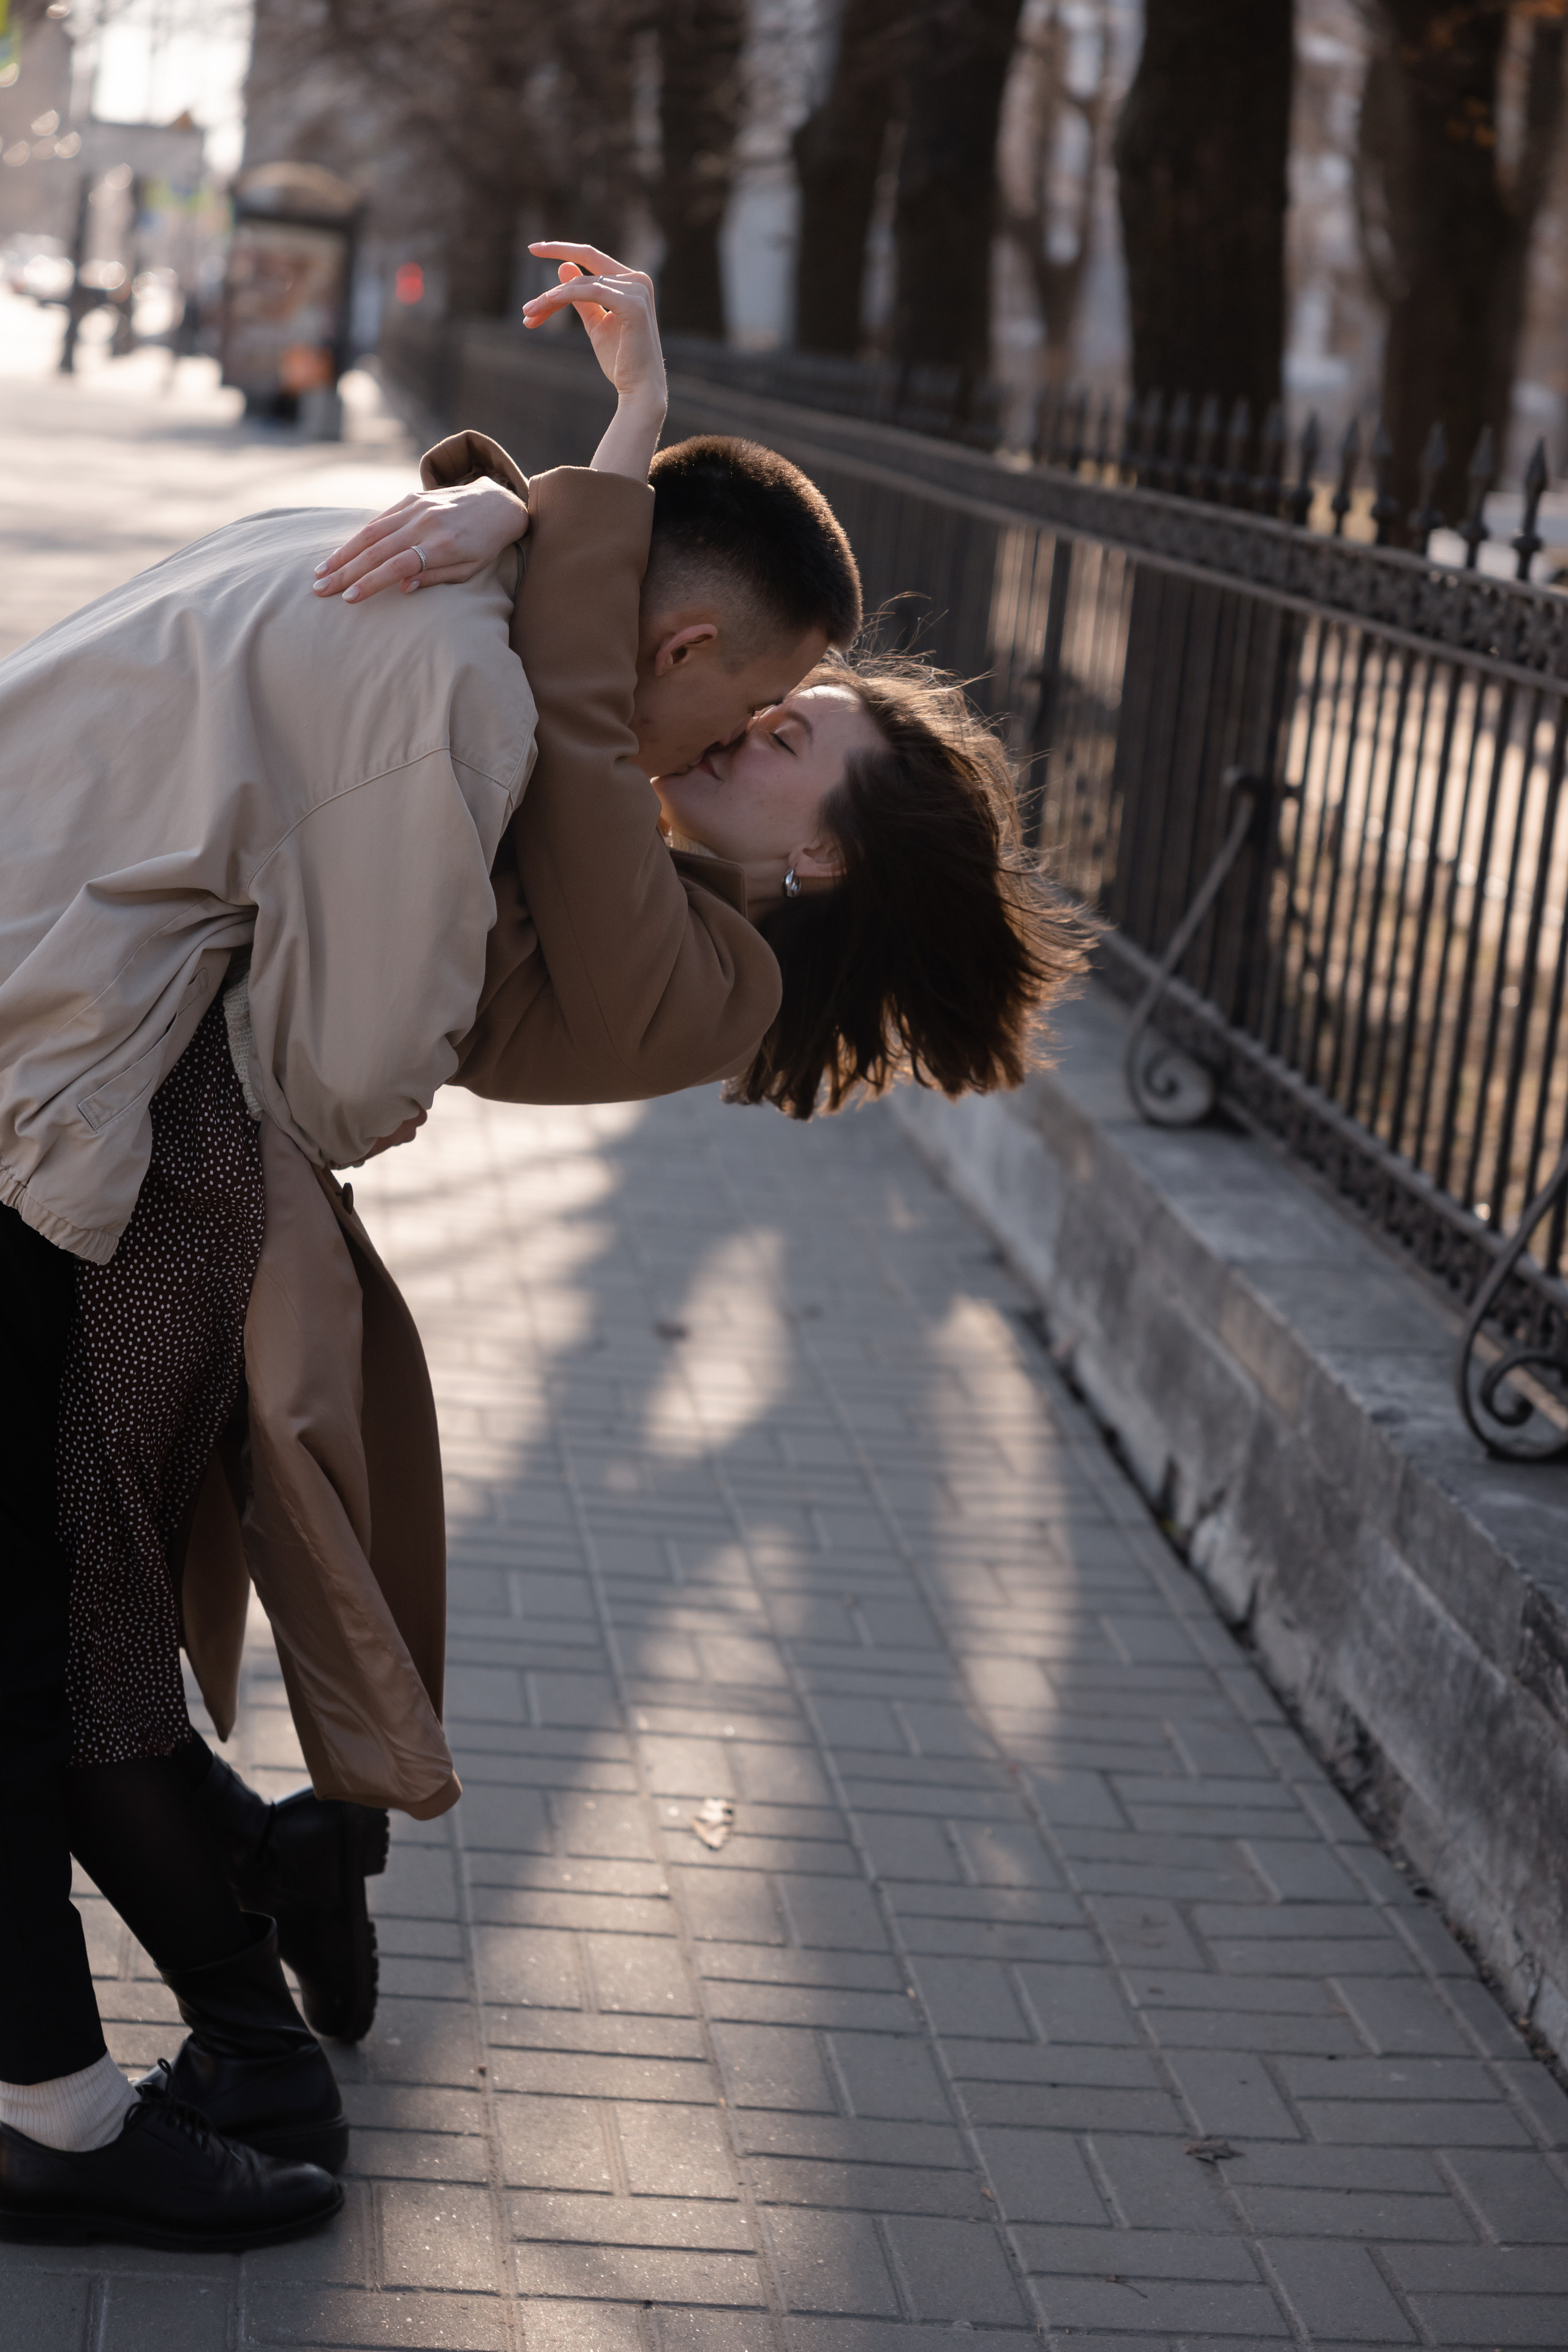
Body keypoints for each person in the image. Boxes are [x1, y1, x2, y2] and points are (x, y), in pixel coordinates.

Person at [0, 243, 865, 2250]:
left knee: (67, 1625)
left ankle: (136, 2056)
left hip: (101, 1123)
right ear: (690, 645)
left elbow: (559, 728)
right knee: (64, 1632)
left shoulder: (427, 586)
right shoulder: (470, 661)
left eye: (805, 735)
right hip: (76, 1106)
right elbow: (370, 1037)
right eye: (763, 692)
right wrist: (591, 461)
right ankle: (146, 2050)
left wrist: (581, 470)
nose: (752, 727)